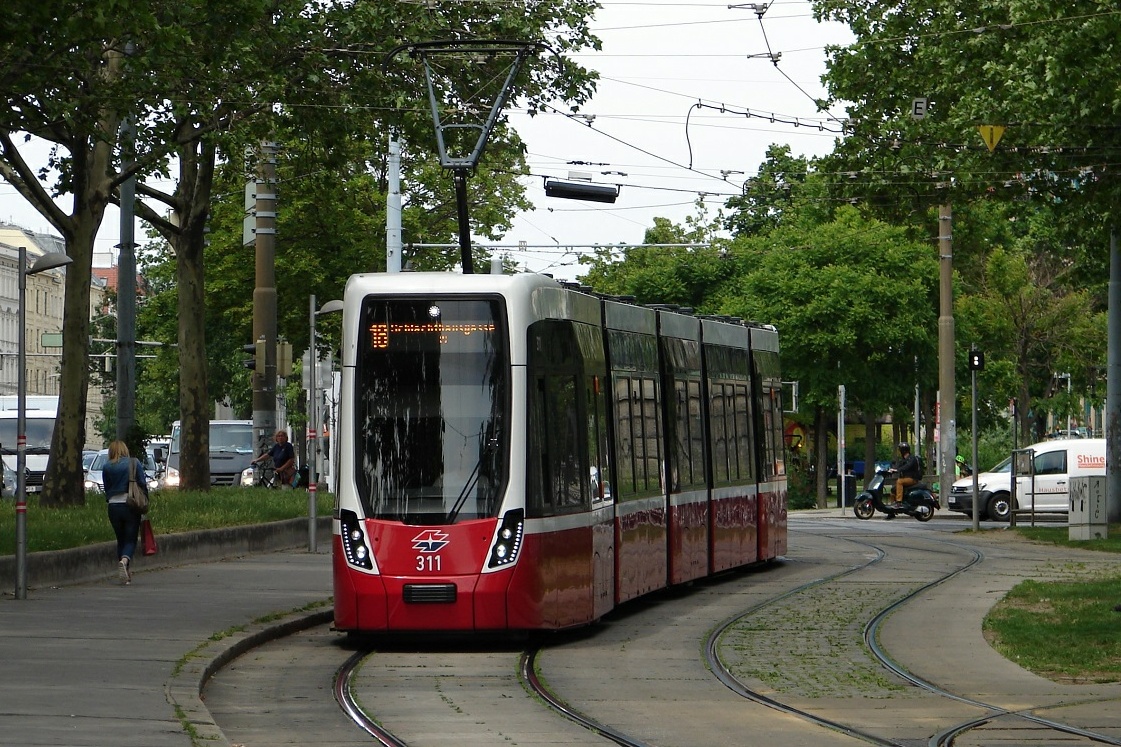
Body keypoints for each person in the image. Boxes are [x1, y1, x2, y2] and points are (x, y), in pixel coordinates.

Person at [102, 440, 148, 585]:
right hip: (130, 504)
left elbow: (107, 487)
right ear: (125, 450)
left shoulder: (107, 466)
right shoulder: (133, 463)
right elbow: (142, 483)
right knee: (130, 538)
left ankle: (125, 574)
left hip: (113, 506)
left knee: (120, 539)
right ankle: (125, 560)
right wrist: (145, 502)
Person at [890, 442, 922, 506]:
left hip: (912, 478)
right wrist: (891, 470)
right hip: (906, 479)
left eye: (900, 450)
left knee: (899, 482)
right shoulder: (903, 459)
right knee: (893, 490)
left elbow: (907, 466)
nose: (899, 452)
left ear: (903, 450)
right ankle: (892, 506)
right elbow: (898, 466)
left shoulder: (912, 458)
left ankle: (899, 502)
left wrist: (897, 470)